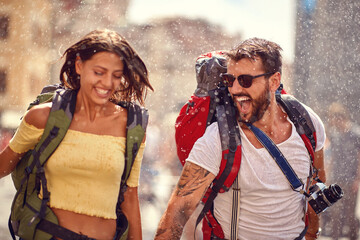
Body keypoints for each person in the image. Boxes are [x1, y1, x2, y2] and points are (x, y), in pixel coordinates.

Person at [154, 38, 326, 240]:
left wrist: (313, 234)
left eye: (245, 80)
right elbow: (176, 215)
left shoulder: (307, 123)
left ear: (274, 81)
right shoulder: (219, 137)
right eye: (229, 80)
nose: (235, 89)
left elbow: (316, 187)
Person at [0, 29, 153, 240]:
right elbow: (2, 166)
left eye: (116, 75)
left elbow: (130, 197)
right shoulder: (42, 117)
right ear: (79, 65)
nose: (107, 83)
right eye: (99, 72)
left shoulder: (132, 128)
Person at [324, 102, 360, 240]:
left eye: (334, 119)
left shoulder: (355, 134)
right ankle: (335, 238)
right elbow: (333, 156)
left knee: (350, 215)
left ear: (341, 118)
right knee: (335, 214)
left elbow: (359, 158)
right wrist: (327, 174)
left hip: (351, 179)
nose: (333, 123)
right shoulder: (335, 134)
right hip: (337, 178)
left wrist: (357, 179)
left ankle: (352, 237)